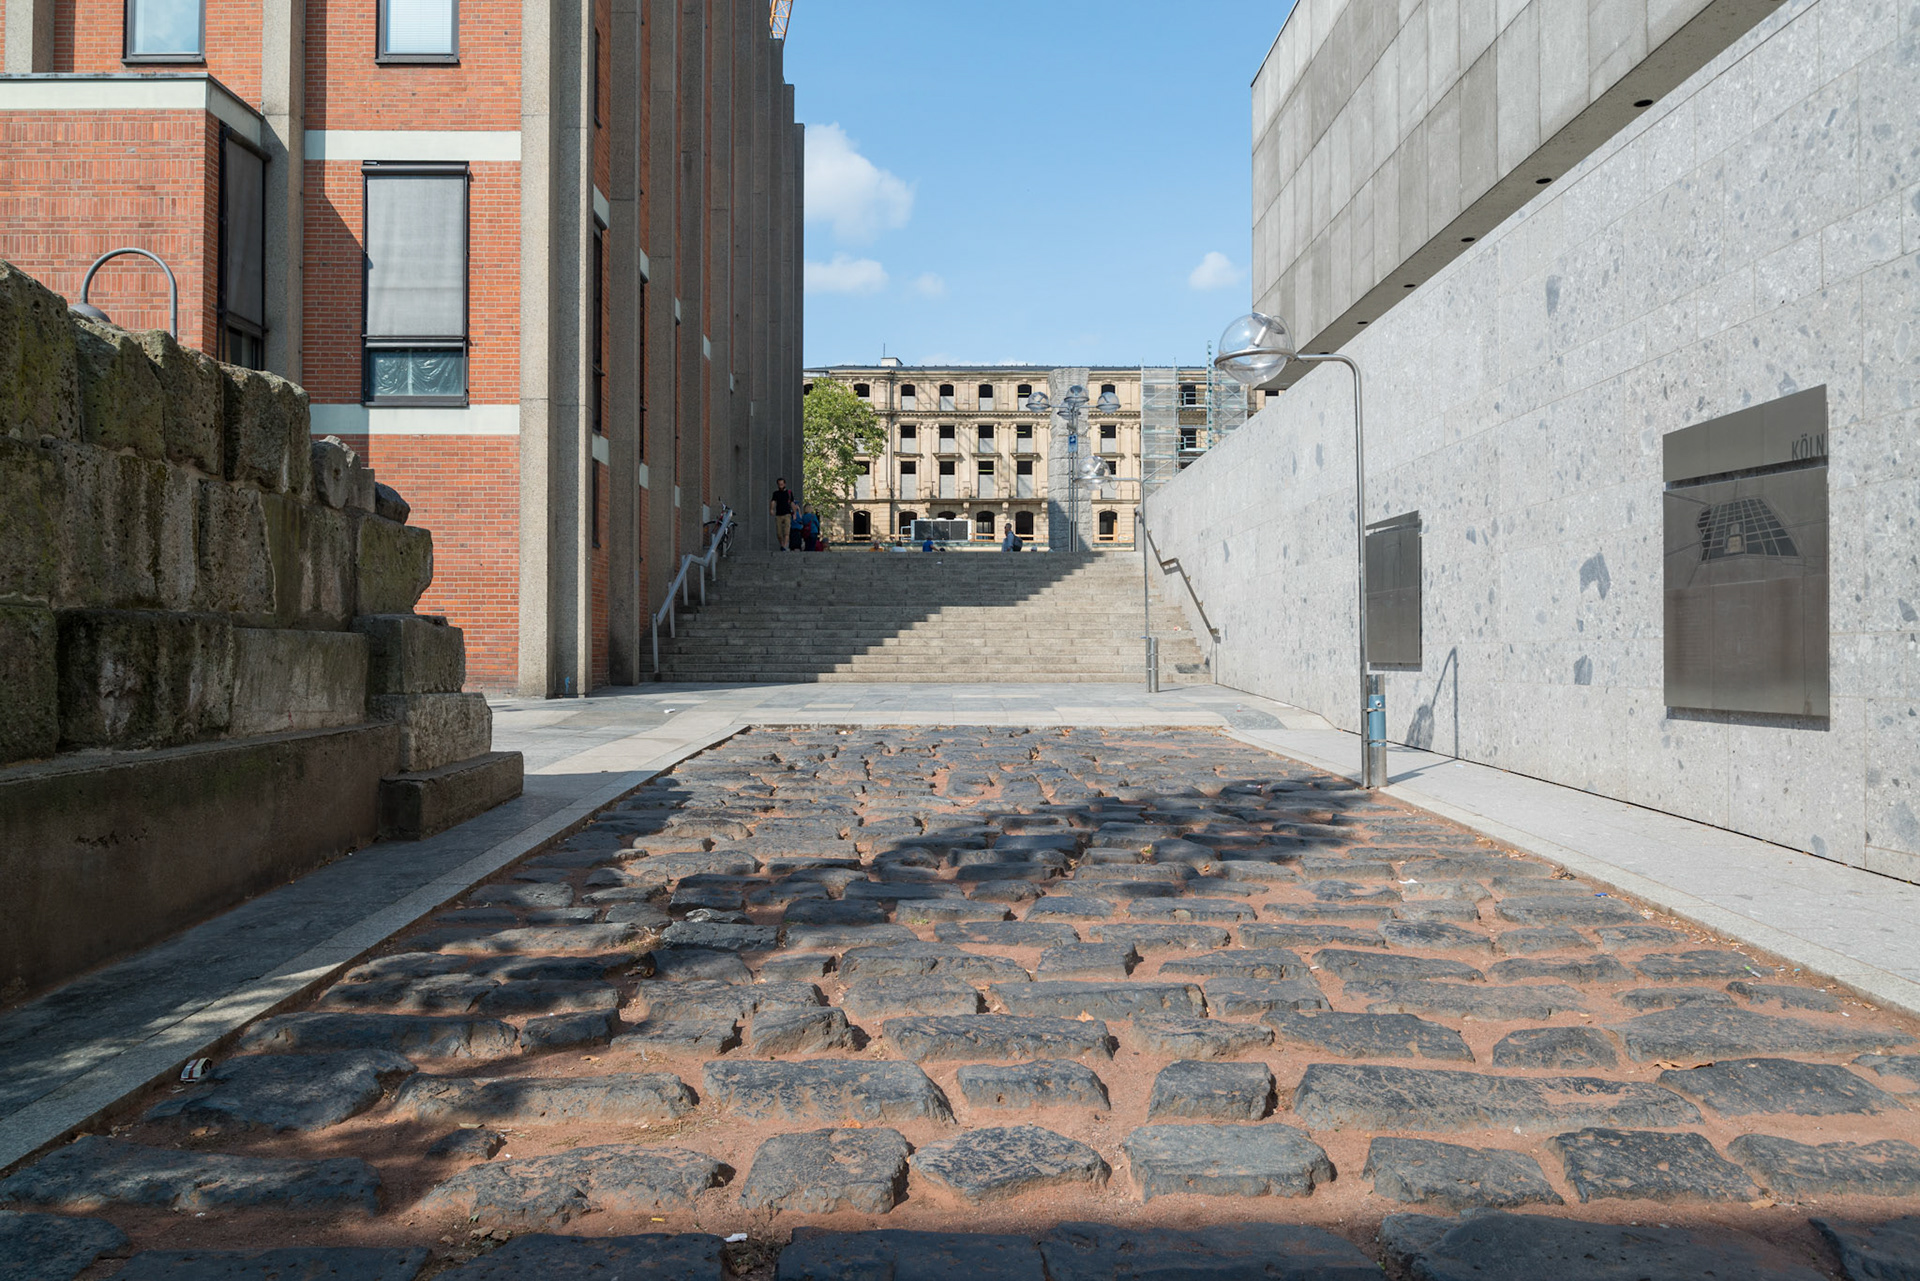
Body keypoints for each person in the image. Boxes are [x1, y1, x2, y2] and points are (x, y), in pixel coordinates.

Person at [769, 479, 795, 551]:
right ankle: (782, 544)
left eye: (782, 484)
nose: (781, 486)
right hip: (779, 514)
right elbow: (773, 501)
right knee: (779, 533)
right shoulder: (776, 493)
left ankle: (784, 546)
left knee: (786, 531)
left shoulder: (789, 493)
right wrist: (771, 509)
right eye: (779, 484)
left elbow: (792, 503)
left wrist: (795, 513)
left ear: (784, 484)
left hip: (787, 514)